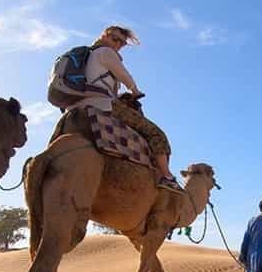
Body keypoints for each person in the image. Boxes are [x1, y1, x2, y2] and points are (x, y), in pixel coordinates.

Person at [70, 25, 183, 193]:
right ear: (104, 36)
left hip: (76, 106)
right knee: (156, 134)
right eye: (114, 38)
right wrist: (135, 91)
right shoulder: (106, 52)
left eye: (122, 43)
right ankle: (167, 177)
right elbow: (124, 76)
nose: (117, 44)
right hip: (101, 104)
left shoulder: (87, 57)